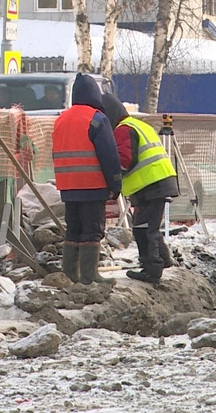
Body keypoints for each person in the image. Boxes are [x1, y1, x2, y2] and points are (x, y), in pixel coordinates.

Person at [101, 93, 180, 285]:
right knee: (149, 226)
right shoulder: (138, 125)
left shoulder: (123, 130)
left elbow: (125, 161)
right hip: (156, 181)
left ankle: (152, 270)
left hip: (151, 184)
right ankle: (163, 259)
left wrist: (109, 177)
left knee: (143, 228)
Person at [52, 73, 122, 286]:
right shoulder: (97, 119)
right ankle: (90, 276)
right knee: (92, 229)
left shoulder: (61, 119)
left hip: (68, 185)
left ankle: (69, 275)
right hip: (92, 184)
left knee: (73, 228)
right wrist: (115, 184)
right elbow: (109, 154)